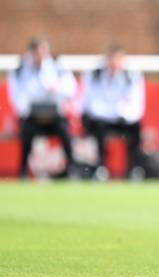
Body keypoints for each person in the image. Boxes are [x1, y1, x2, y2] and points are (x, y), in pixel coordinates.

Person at [8, 38, 77, 180]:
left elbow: (71, 89)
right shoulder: (21, 71)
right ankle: (23, 170)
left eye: (43, 51)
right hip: (31, 118)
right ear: (31, 53)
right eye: (37, 52)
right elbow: (16, 98)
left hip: (55, 117)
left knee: (65, 131)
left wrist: (57, 88)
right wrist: (32, 111)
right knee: (26, 132)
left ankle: (71, 168)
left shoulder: (58, 67)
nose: (40, 56)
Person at [81, 46, 145, 181]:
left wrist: (120, 113)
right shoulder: (95, 76)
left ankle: (134, 168)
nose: (114, 63)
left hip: (123, 120)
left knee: (136, 129)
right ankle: (101, 168)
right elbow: (90, 104)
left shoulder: (131, 76)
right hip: (101, 120)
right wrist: (111, 111)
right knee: (98, 128)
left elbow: (136, 105)